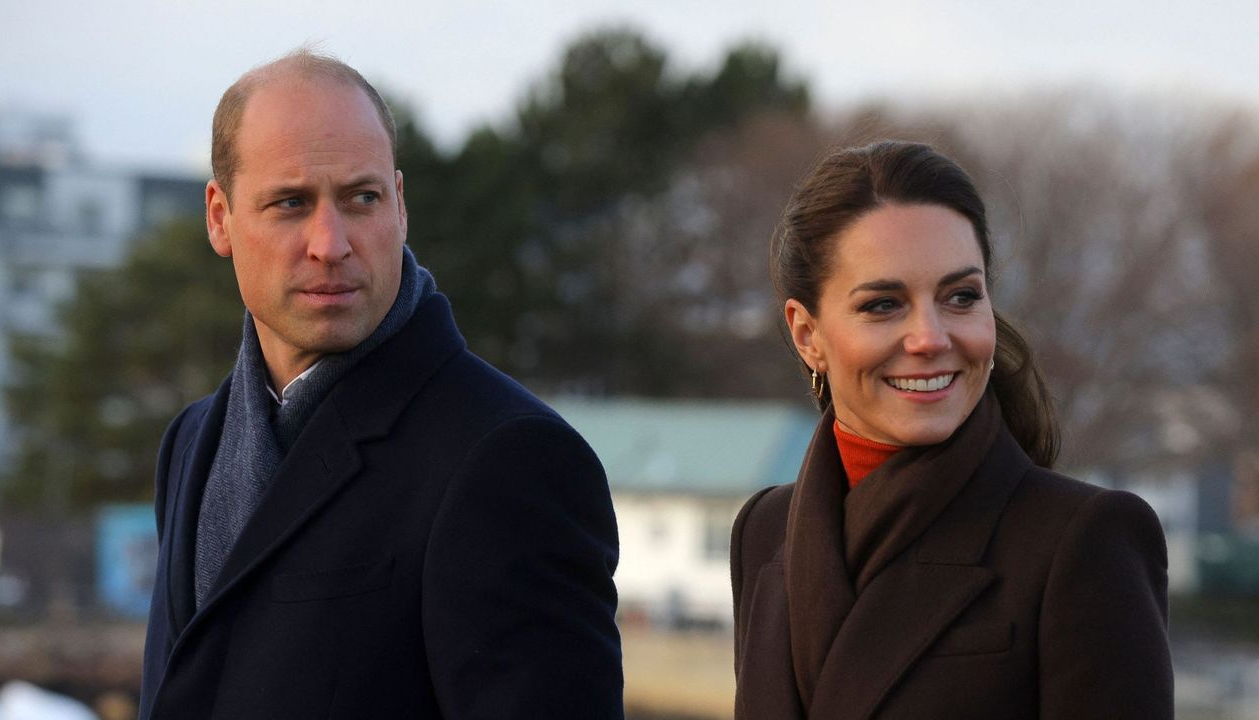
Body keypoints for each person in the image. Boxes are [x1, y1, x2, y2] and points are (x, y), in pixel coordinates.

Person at [138, 49, 624, 720]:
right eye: (290, 203)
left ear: (400, 204)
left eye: (360, 199)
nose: (330, 242)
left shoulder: (510, 458)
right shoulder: (193, 441)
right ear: (220, 217)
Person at [730, 141, 1173, 719]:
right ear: (807, 334)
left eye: (961, 297)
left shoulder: (1085, 540)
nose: (931, 337)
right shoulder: (763, 531)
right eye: (884, 305)